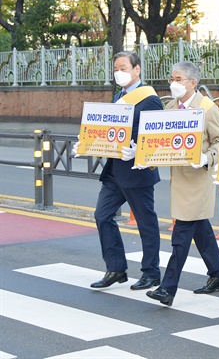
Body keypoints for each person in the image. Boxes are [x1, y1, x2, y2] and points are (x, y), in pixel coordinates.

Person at [76, 51, 163, 290]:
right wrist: (87, 142)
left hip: (137, 170)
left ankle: (151, 273)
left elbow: (154, 136)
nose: (119, 72)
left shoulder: (150, 99)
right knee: (102, 215)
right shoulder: (119, 96)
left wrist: (139, 149)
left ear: (137, 70)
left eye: (124, 68)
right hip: (115, 171)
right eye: (116, 68)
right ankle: (115, 269)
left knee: (146, 223)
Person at [146, 61, 219, 306]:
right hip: (179, 179)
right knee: (201, 232)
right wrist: (145, 159)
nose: (173, 83)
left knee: (181, 234)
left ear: (193, 82)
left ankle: (168, 287)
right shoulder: (170, 107)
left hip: (198, 180)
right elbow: (159, 141)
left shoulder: (207, 108)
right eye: (172, 78)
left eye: (178, 79)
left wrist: (207, 158)